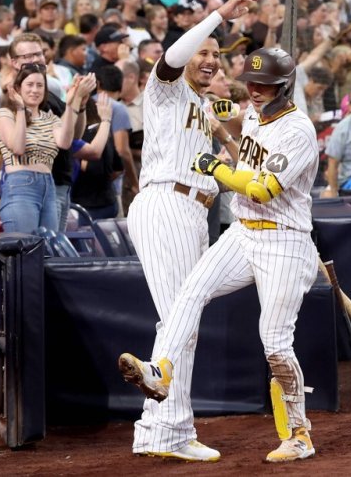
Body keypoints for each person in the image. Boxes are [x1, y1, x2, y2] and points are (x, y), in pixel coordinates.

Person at [119, 45, 320, 463]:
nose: (256, 90)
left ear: (285, 86)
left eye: (265, 85)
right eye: (251, 82)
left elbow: (262, 187)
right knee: (189, 294)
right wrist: (220, 129)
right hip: (243, 232)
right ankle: (161, 370)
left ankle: (299, 433)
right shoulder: (249, 113)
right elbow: (239, 145)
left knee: (275, 344)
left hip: (284, 240)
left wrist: (215, 167)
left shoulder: (297, 129)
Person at [113, 0, 256, 463]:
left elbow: (229, 151)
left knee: (182, 320)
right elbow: (172, 57)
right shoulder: (166, 87)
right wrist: (218, 15)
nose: (212, 60)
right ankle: (164, 429)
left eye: (217, 54)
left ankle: (165, 429)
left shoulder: (200, 102)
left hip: (196, 209)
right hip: (165, 202)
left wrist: (233, 129)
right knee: (180, 316)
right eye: (205, 52)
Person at [0, 63, 95, 233]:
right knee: (26, 250)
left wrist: (73, 104)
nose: (35, 90)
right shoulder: (6, 114)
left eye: (40, 85)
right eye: (30, 85)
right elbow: (18, 147)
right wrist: (20, 109)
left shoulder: (50, 118)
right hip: (20, 185)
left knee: (49, 250)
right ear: (18, 88)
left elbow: (64, 142)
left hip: (49, 186)